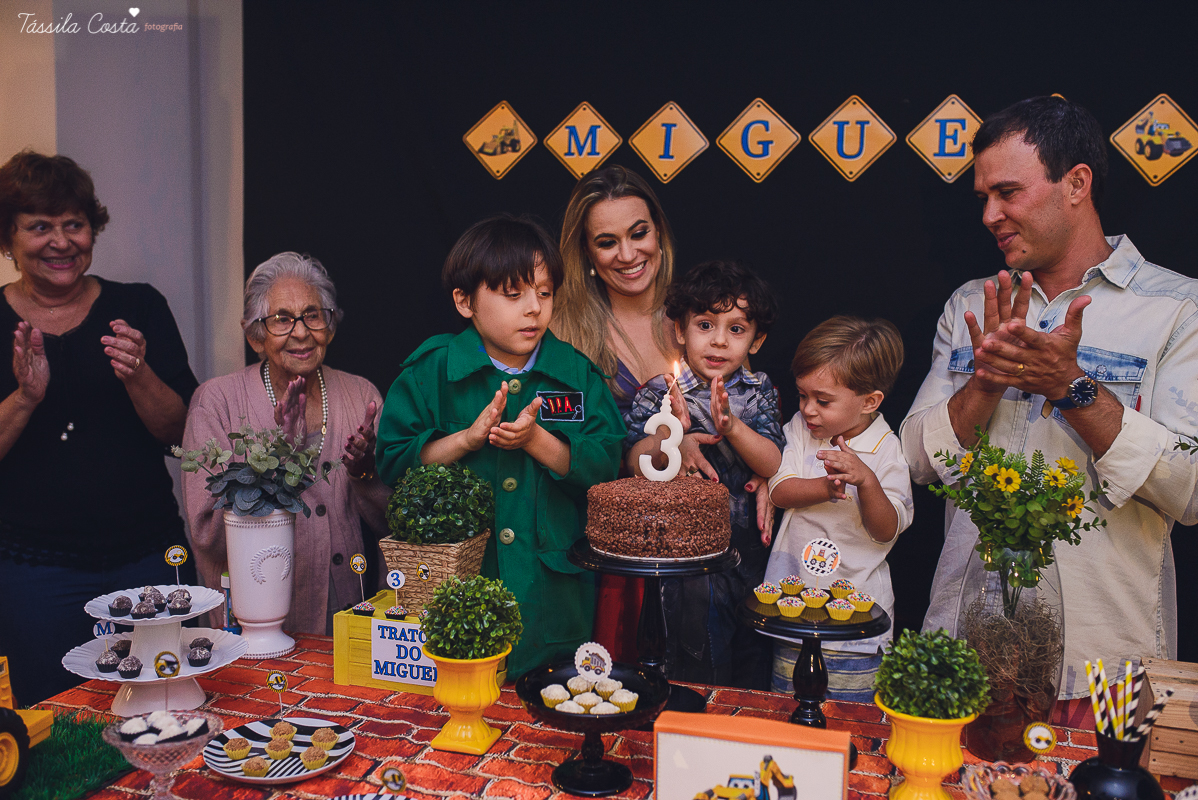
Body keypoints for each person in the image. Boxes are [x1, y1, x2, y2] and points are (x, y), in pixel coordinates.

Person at [900, 96, 1198, 697]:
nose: (990, 214)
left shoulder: (1177, 309)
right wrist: (983, 385)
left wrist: (1071, 388)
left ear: (1076, 183)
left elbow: (1190, 491)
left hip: (1103, 669)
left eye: (1007, 192)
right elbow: (912, 461)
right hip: (964, 655)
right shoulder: (969, 305)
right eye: (983, 197)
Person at [375, 214, 625, 679]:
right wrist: (465, 439)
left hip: (552, 603)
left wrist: (538, 441)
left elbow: (608, 465)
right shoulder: (430, 374)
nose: (534, 308)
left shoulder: (575, 375)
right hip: (455, 595)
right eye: (514, 294)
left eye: (545, 293)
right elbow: (393, 463)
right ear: (464, 301)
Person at [552, 165, 774, 660]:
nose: (628, 255)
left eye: (639, 233)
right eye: (607, 242)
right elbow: (573, 451)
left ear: (660, 233)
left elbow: (749, 412)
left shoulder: (704, 309)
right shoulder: (563, 331)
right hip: (617, 552)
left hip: (706, 547)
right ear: (586, 253)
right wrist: (671, 443)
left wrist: (771, 483)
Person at [0, 151, 198, 704]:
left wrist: (139, 375)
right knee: (59, 730)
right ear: (7, 238)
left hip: (149, 560)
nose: (61, 241)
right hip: (35, 577)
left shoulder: (139, 306)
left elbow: (181, 433)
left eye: (74, 224)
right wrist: (25, 398)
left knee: (169, 708)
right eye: (40, 226)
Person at [181, 252, 389, 635]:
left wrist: (364, 473)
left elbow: (392, 522)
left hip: (344, 616)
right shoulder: (216, 402)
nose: (301, 331)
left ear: (329, 325)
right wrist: (279, 458)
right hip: (255, 622)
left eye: (313, 315)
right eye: (281, 319)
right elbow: (206, 532)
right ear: (254, 337)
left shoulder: (361, 395)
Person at [625, 260, 784, 688]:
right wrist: (673, 438)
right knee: (695, 661)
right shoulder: (661, 392)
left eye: (736, 329)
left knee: (752, 664)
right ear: (680, 331)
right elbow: (630, 460)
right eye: (705, 324)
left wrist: (731, 427)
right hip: (685, 559)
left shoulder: (760, 390)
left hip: (751, 558)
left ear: (757, 340)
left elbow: (771, 464)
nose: (718, 340)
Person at [764, 316, 912, 701]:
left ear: (870, 401)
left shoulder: (885, 449)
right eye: (802, 396)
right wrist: (823, 487)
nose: (809, 410)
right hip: (791, 611)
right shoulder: (802, 428)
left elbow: (886, 528)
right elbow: (779, 491)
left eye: (823, 401)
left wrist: (866, 481)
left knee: (851, 723)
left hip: (857, 629)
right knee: (790, 712)